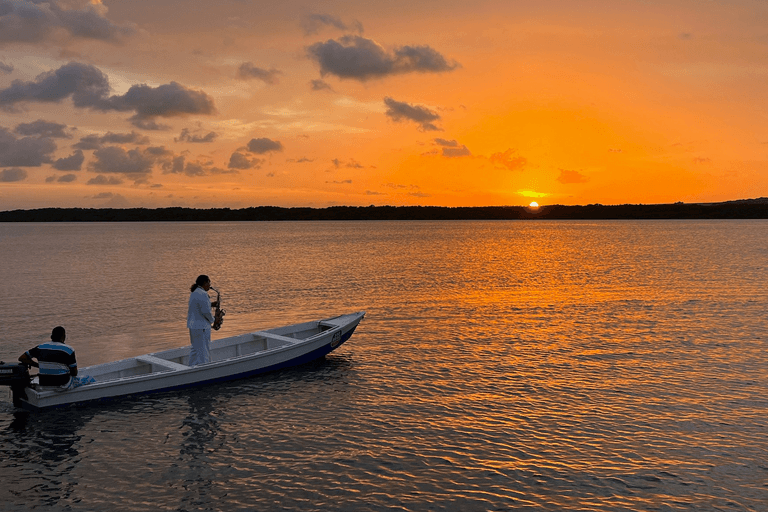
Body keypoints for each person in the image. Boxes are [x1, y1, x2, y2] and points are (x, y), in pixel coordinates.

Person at [187, 274, 217, 366]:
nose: (210, 285)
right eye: (209, 282)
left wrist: (211, 304)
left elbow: (198, 307)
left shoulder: (194, 292)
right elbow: (206, 312)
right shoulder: (203, 294)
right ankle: (204, 370)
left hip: (193, 326)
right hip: (201, 327)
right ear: (204, 282)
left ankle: (190, 368)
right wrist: (214, 320)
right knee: (203, 350)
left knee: (195, 349)